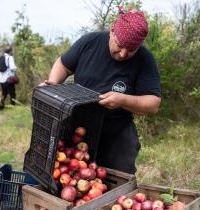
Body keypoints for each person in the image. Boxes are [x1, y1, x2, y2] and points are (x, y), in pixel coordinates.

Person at [42, 8, 161, 174]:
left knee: (118, 180)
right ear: (112, 30)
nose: (123, 53)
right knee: (69, 173)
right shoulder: (90, 42)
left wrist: (122, 100)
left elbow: (153, 103)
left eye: (131, 50)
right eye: (120, 46)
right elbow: (63, 64)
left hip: (116, 131)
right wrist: (53, 84)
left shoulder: (145, 59)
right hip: (78, 127)